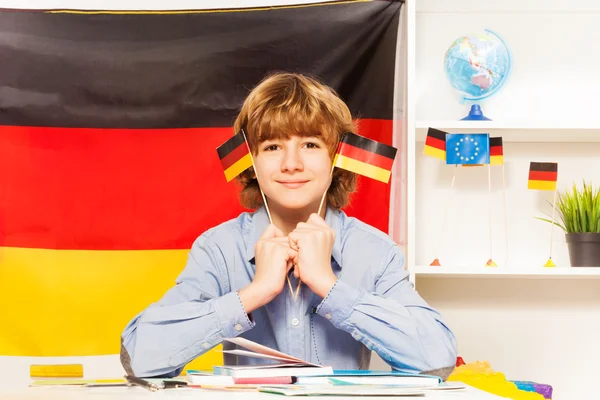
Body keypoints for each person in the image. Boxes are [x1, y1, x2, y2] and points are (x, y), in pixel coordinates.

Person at [120, 72, 457, 379]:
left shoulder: (373, 251)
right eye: (272, 147)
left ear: (336, 158)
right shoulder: (219, 248)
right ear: (251, 162)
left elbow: (437, 359)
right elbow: (140, 358)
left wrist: (329, 285)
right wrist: (255, 292)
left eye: (310, 145)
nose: (291, 164)